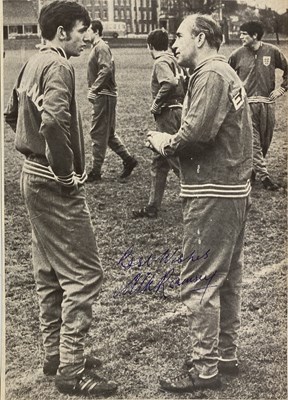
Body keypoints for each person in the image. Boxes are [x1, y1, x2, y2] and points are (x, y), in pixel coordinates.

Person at [4, 1, 117, 396]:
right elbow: (53, 121)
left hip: (30, 177)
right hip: (52, 182)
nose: (88, 37)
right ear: (62, 32)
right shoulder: (59, 66)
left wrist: (32, 145)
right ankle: (72, 368)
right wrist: (66, 173)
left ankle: (55, 354)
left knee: (50, 273)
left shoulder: (32, 61)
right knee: (85, 275)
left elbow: (10, 114)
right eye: (82, 30)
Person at [147, 14, 253, 393]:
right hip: (232, 190)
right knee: (227, 279)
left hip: (212, 191)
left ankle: (205, 368)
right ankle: (224, 355)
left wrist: (163, 142)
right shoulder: (224, 72)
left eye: (179, 36)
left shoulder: (210, 74)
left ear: (202, 38)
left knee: (200, 280)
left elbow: (196, 135)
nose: (173, 44)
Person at [132, 28, 187, 219]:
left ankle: (200, 197)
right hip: (179, 110)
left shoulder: (161, 61)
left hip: (167, 115)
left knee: (174, 158)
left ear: (150, 46)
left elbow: (169, 83)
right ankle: (152, 206)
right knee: (159, 160)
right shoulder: (175, 60)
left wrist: (156, 104)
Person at [229, 21, 288, 191]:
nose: (240, 37)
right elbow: (225, 75)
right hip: (246, 105)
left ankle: (253, 169)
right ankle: (265, 177)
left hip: (267, 104)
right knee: (252, 141)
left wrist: (282, 90)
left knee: (264, 142)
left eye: (243, 33)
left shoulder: (272, 51)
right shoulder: (236, 54)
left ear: (254, 35)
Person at [86, 20, 137, 183]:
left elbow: (106, 69)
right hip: (105, 95)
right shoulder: (98, 47)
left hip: (104, 95)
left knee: (98, 132)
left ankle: (95, 171)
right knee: (107, 134)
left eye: (87, 30)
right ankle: (129, 160)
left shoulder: (100, 47)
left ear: (96, 31)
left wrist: (94, 89)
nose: (85, 33)